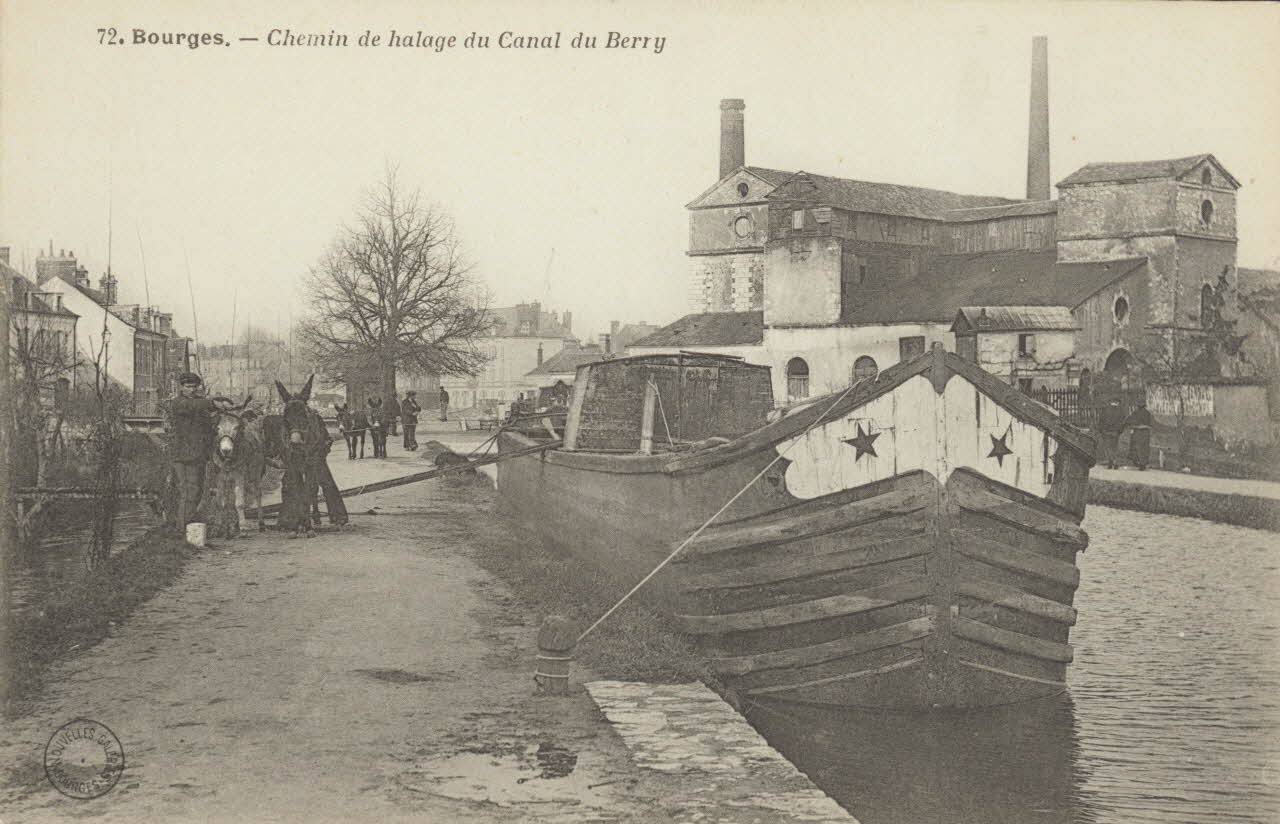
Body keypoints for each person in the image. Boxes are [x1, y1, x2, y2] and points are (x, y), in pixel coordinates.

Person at [168, 372, 232, 532]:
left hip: (198, 455)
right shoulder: (178, 403)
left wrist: (220, 416)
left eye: (194, 387)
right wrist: (214, 403)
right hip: (183, 455)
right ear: (181, 387)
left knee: (196, 492)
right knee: (188, 491)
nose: (191, 389)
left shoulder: (199, 403)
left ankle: (188, 528)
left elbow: (208, 427)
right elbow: (193, 406)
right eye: (188, 387)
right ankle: (182, 530)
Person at [1096, 397, 1127, 470]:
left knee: (1108, 447)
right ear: (1117, 403)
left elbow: (1101, 420)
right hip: (1115, 432)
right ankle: (1114, 461)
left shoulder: (1105, 410)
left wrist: (1100, 429)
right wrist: (1120, 430)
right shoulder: (1121, 411)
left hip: (1106, 431)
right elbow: (1123, 422)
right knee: (1114, 447)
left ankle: (1111, 461)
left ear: (1111, 402)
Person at [1124, 400, 1154, 470]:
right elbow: (1152, 423)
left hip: (1137, 431)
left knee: (1137, 447)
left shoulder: (1135, 413)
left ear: (1138, 406)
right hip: (1146, 432)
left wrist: (1129, 425)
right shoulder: (1147, 413)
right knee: (1145, 447)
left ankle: (1139, 462)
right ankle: (1143, 462)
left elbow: (1128, 420)